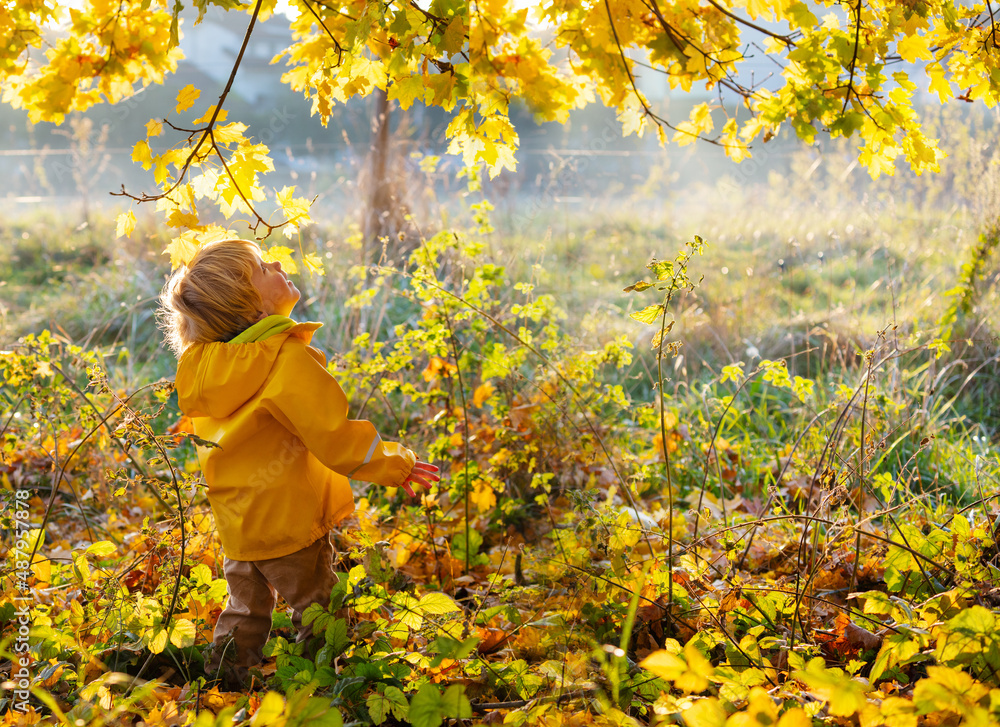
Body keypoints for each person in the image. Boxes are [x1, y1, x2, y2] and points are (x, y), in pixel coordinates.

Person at [157, 239, 439, 689]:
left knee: (245, 610)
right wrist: (395, 463)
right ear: (250, 303)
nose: (277, 263)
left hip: (238, 521)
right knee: (320, 609)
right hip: (288, 518)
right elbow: (334, 436)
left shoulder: (205, 366)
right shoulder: (285, 359)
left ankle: (222, 687)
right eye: (262, 267)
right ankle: (320, 686)